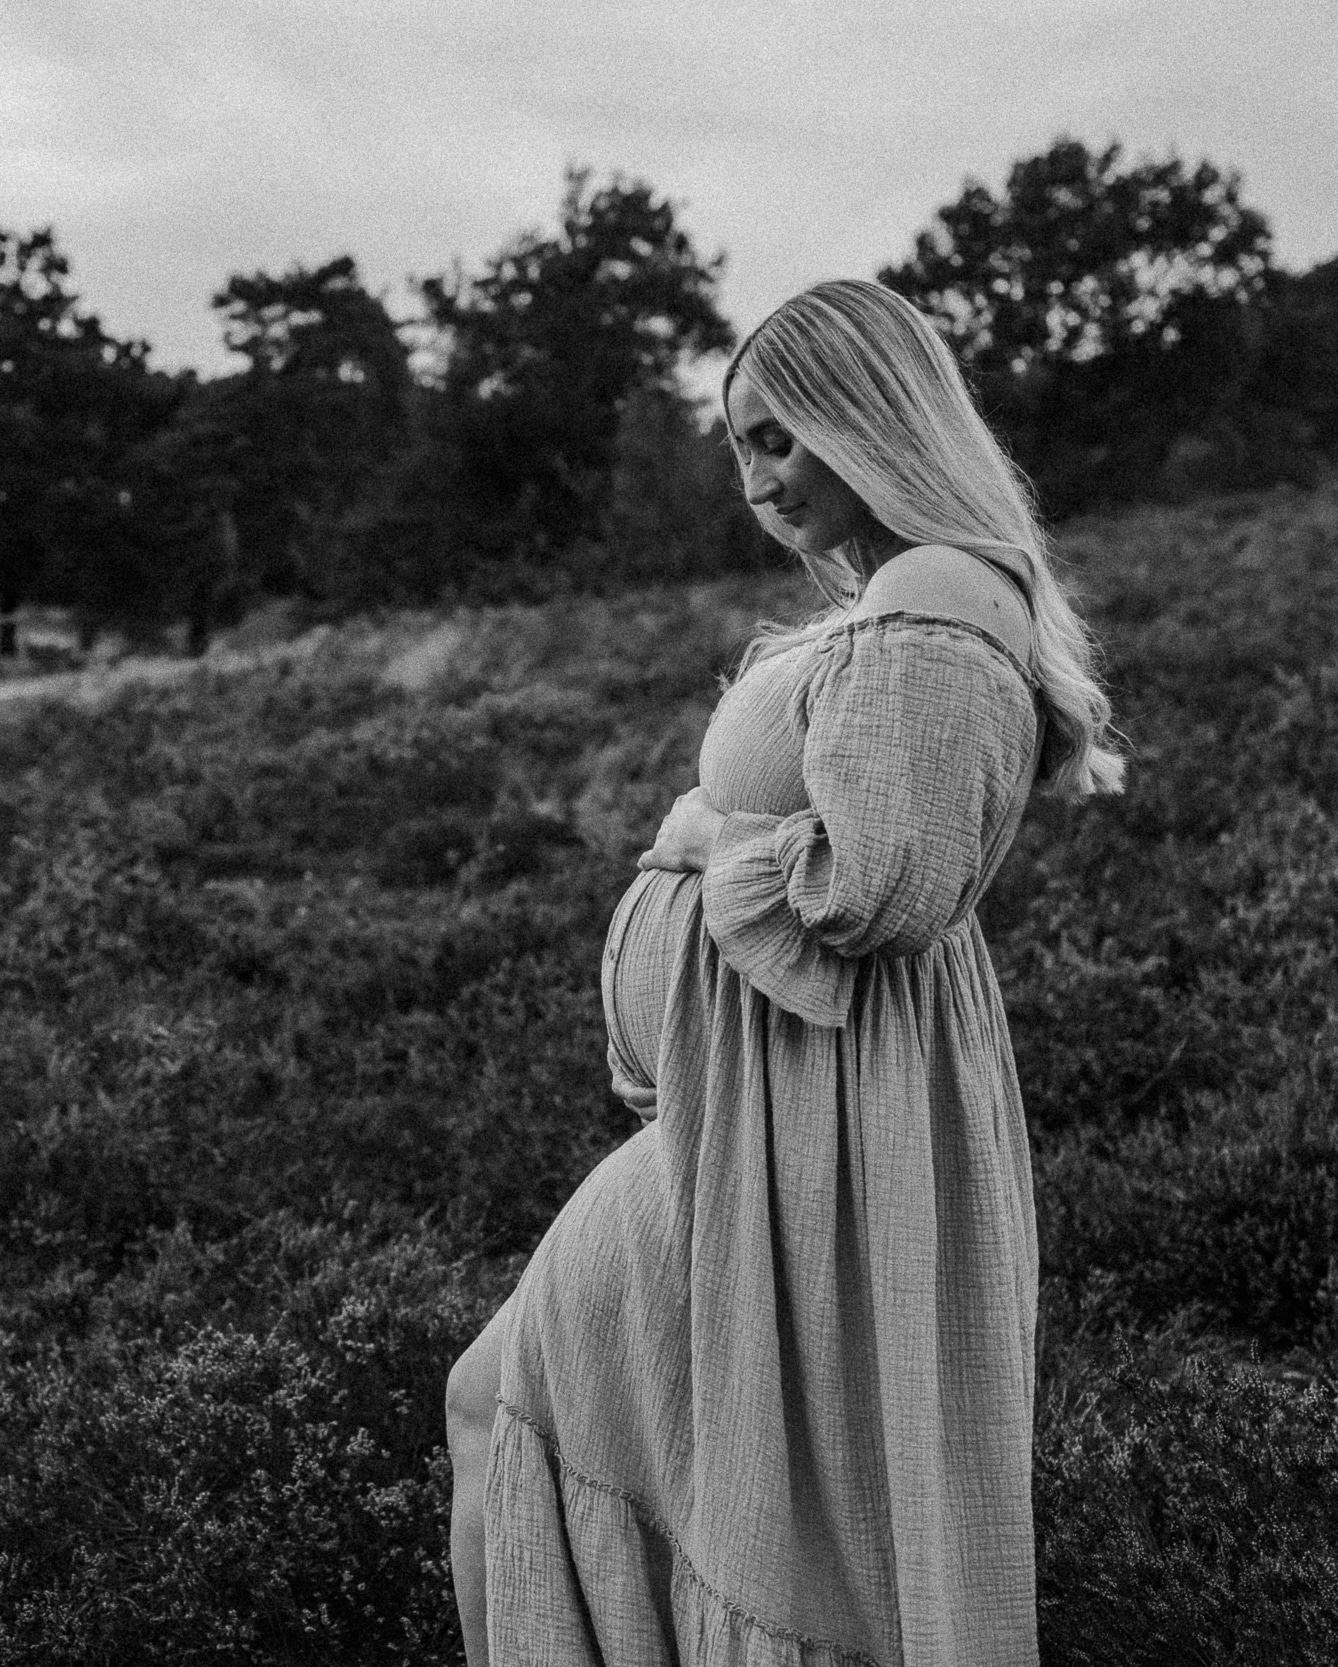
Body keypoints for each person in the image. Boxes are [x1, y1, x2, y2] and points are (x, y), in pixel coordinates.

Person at [444, 278, 1124, 1667]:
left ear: (868, 418)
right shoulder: (908, 594)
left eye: (778, 438)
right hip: (764, 1113)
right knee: (619, 1443)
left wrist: (709, 843)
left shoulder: (932, 603)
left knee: (549, 1420)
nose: (755, 478)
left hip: (807, 1123)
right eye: (738, 446)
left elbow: (884, 885)